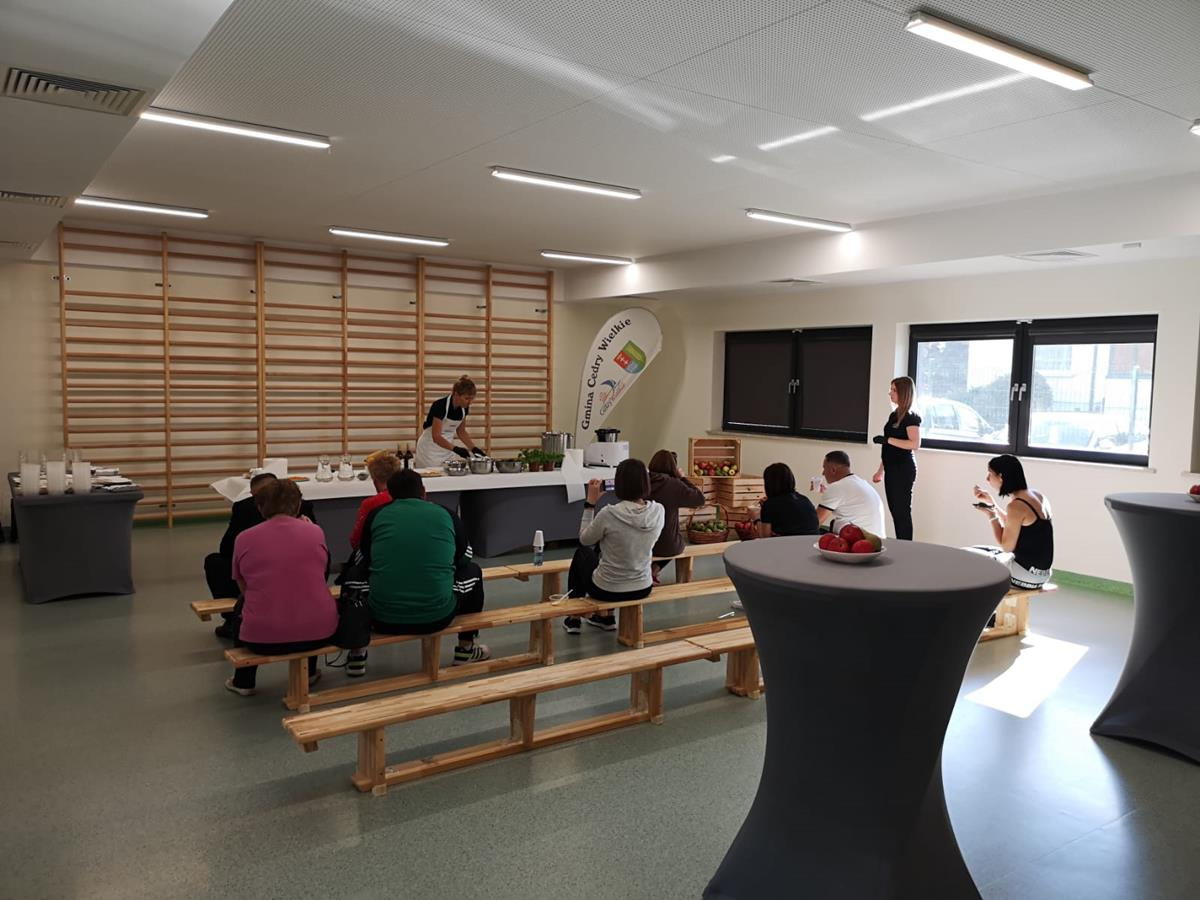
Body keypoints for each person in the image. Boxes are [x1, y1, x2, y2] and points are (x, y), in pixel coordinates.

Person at [348, 469, 489, 675]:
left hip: (382, 617)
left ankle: (356, 652)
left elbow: (362, 559)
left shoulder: (377, 514)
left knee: (353, 577)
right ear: (423, 491)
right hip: (437, 615)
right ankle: (465, 649)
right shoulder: (445, 514)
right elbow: (465, 557)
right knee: (474, 571)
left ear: (390, 494)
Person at [224, 480, 336, 696]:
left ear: (260, 507)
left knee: (242, 606)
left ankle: (244, 681)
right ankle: (310, 672)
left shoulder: (244, 538)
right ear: (298, 505)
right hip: (318, 633)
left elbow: (243, 585)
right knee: (308, 596)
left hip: (261, 638)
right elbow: (321, 572)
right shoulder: (315, 532)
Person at [205, 471, 316, 639]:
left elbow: (227, 550)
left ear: (256, 500)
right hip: (303, 593)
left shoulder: (245, 522)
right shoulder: (311, 525)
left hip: (260, 585)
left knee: (216, 562)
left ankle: (232, 620)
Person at [563, 458, 665, 634]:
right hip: (642, 587)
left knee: (583, 553)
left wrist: (590, 504)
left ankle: (574, 618)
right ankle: (606, 618)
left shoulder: (609, 513)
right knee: (605, 547)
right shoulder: (658, 511)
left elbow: (584, 539)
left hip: (607, 589)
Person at [971, 454, 1054, 589]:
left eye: (990, 473)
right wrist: (992, 504)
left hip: (1024, 576)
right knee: (977, 549)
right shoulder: (1037, 496)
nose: (987, 478)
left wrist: (992, 516)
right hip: (1041, 575)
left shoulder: (1016, 506)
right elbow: (1016, 525)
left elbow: (1006, 547)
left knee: (967, 556)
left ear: (1001, 477)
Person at [872, 376, 921, 540]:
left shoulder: (911, 417)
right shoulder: (894, 415)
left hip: (903, 469)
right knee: (895, 511)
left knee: (902, 512)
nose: (890, 393)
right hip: (891, 468)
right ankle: (902, 543)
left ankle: (906, 546)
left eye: (893, 390)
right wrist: (880, 471)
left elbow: (915, 443)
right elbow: (889, 448)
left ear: (903, 392)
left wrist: (888, 440)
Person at [647, 449, 706, 584]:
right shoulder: (673, 484)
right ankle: (654, 569)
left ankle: (651, 570)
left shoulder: (643, 482)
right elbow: (700, 499)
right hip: (668, 545)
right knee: (676, 541)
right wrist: (682, 478)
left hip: (643, 544)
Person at [413, 375, 485, 468]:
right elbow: (436, 437)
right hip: (429, 450)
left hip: (447, 449)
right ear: (456, 394)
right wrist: (456, 449)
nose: (469, 402)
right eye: (466, 398)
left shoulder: (464, 408)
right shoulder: (440, 406)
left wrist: (473, 448)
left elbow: (461, 431)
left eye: (472, 399)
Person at [815, 451, 886, 537]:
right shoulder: (861, 482)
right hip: (879, 541)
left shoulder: (837, 487)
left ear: (833, 470)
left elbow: (814, 523)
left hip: (863, 542)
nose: (823, 473)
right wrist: (827, 492)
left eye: (824, 468)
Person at [348, 452, 401, 551]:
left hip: (378, 553)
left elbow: (356, 541)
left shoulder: (370, 504)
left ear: (375, 481)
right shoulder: (407, 497)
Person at [756, 462, 819, 538]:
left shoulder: (769, 505)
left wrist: (756, 518)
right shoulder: (805, 499)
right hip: (812, 542)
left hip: (788, 544)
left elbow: (764, 537)